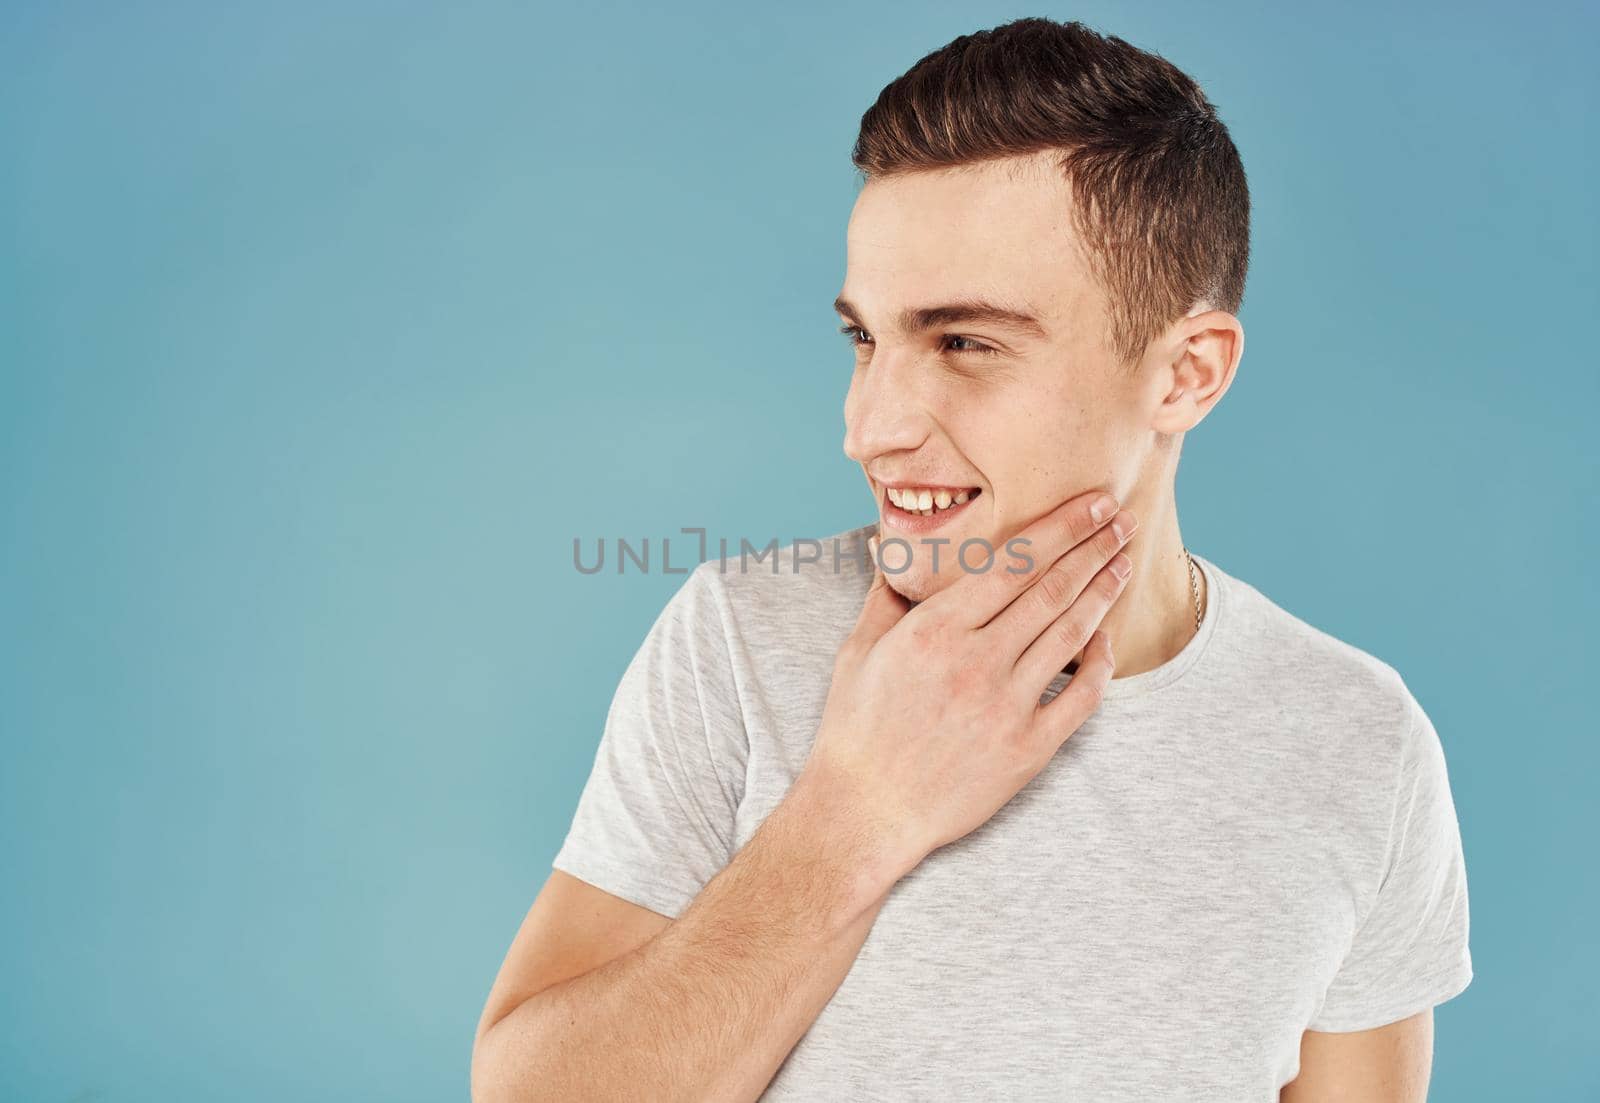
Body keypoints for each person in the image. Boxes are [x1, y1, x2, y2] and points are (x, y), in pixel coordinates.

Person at [471, 17, 1471, 1102]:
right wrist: (855, 809)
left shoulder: (1356, 740)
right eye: (866, 337)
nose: (869, 427)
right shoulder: (739, 640)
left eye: (964, 343)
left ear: (1185, 374)